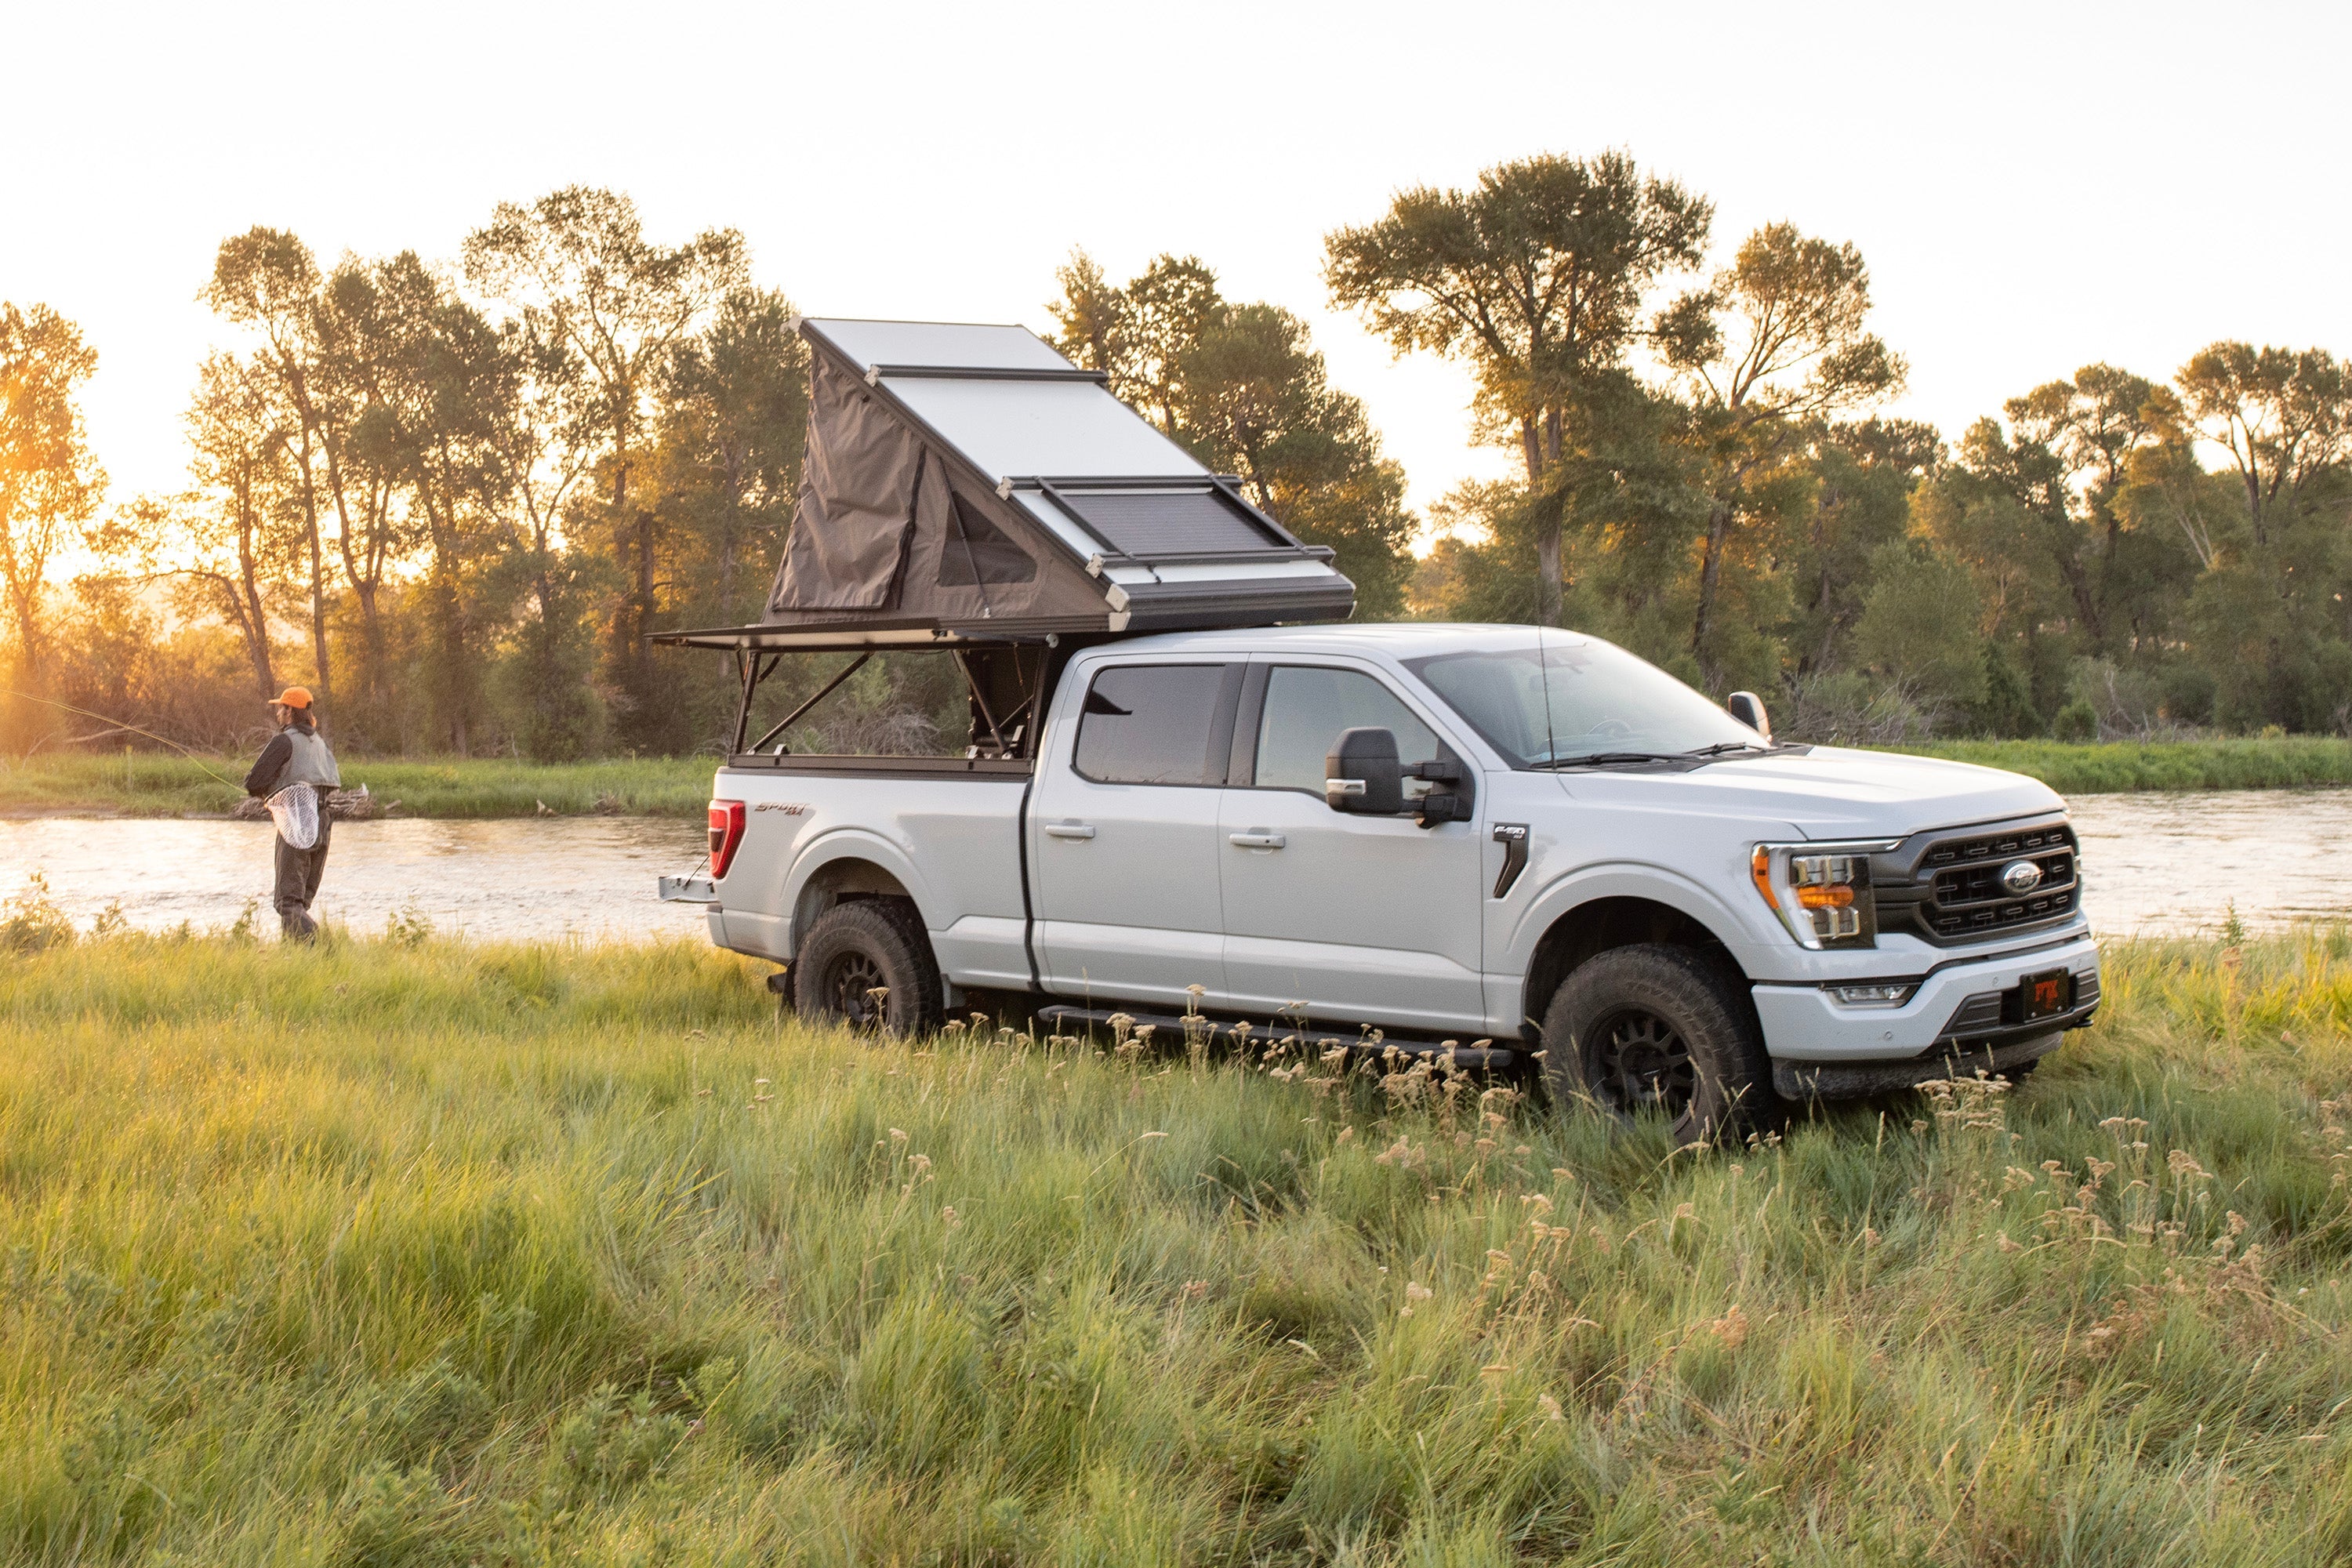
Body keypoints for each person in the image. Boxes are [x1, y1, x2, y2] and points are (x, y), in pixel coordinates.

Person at [244, 686, 341, 940]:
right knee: (300, 903)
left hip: (298, 822)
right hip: (323, 823)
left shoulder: (284, 741)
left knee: (287, 903)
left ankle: (323, 947)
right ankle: (294, 958)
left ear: (290, 711)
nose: (278, 712)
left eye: (281, 707)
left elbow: (254, 782)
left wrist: (263, 791)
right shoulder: (320, 743)